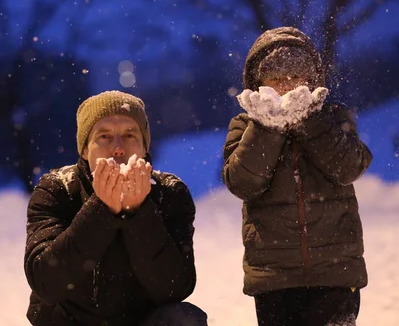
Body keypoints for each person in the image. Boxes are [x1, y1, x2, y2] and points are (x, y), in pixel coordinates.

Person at [222, 27, 373, 326]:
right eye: (275, 80)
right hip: (274, 278)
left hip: (336, 272)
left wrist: (311, 120)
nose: (286, 87)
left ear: (311, 80)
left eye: (295, 78)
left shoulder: (332, 117)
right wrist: (267, 125)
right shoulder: (245, 125)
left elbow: (350, 167)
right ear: (258, 84)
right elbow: (242, 182)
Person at [24, 90, 207, 325]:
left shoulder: (170, 193)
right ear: (85, 150)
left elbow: (175, 288)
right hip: (70, 321)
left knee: (184, 319)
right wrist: (101, 208)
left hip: (143, 320)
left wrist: (138, 212)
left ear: (144, 148)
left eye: (130, 135)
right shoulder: (57, 189)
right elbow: (45, 283)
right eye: (104, 137)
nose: (118, 148)